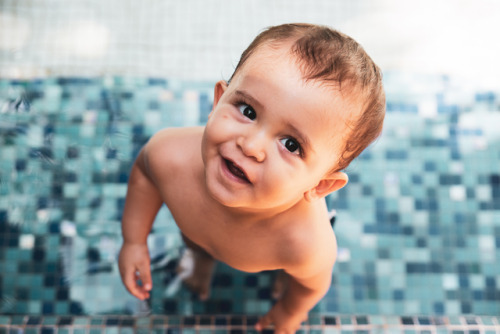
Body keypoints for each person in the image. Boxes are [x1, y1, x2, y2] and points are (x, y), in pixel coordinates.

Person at [118, 23, 385, 333]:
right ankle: (200, 259)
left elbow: (313, 286)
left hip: (283, 249)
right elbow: (143, 176)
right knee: (194, 241)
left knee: (296, 275)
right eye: (247, 110)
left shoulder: (303, 243)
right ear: (218, 101)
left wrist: (290, 310)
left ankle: (280, 276)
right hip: (198, 230)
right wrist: (134, 240)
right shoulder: (169, 156)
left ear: (319, 185)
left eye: (291, 145)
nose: (251, 145)